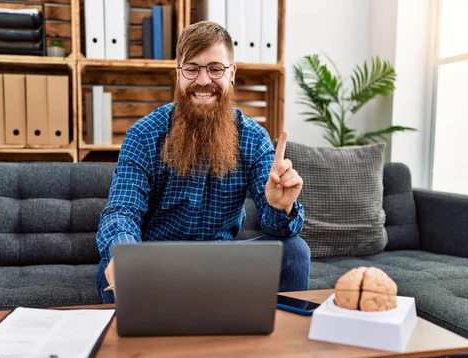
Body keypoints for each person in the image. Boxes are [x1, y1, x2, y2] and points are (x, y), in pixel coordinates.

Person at [95, 21, 310, 303]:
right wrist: (125, 254)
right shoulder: (144, 134)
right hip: (153, 263)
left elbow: (275, 227)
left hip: (222, 264)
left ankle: (280, 343)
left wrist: (281, 207)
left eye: (215, 69)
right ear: (178, 73)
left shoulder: (254, 138)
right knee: (115, 265)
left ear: (232, 73)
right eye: (192, 68)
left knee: (295, 251)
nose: (204, 80)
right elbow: (121, 211)